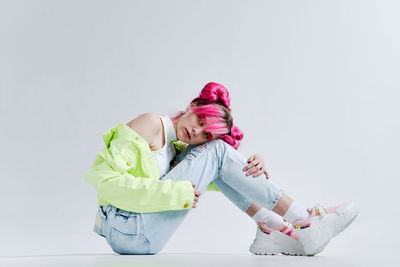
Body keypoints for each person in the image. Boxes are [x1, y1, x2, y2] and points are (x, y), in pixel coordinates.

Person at [84, 82, 359, 256]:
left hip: (140, 235)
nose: (196, 131)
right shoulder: (151, 124)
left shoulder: (177, 149)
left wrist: (253, 162)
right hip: (127, 228)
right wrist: (170, 194)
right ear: (193, 106)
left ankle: (271, 229)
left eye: (205, 135)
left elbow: (222, 175)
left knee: (219, 157)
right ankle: (305, 218)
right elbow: (104, 181)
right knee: (218, 153)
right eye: (201, 119)